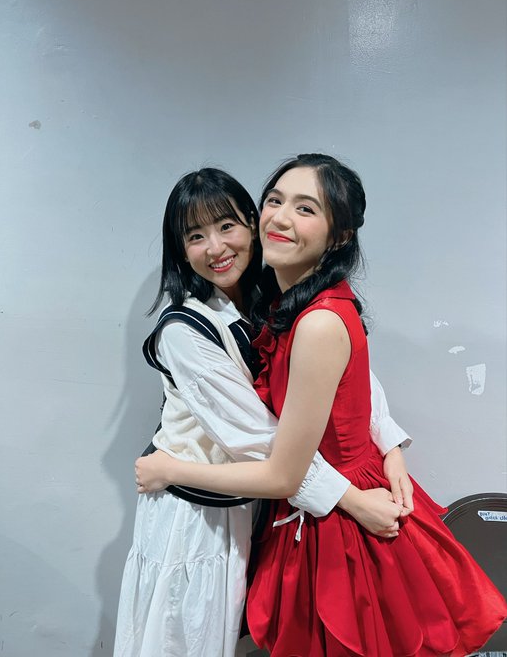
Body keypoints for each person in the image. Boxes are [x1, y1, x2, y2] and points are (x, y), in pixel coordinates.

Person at [136, 155, 507, 657]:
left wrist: (386, 448)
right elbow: (274, 428)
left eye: (305, 208)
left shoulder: (304, 311)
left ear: (339, 235)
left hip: (322, 506)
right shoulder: (261, 308)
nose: (281, 217)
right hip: (239, 509)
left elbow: (340, 393)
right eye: (275, 201)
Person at [114, 167, 413, 657]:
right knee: (184, 640)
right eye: (195, 236)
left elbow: (346, 375)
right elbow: (260, 440)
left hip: (260, 504)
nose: (215, 248)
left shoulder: (275, 299)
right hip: (195, 519)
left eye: (227, 226)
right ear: (180, 250)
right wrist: (352, 500)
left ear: (252, 225)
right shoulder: (185, 332)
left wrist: (389, 444)